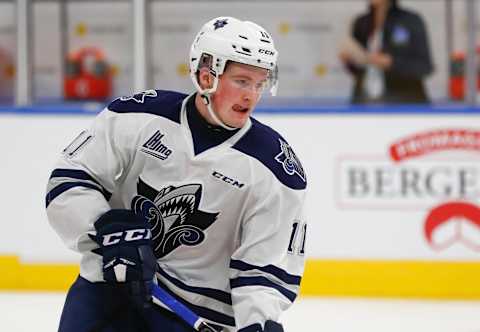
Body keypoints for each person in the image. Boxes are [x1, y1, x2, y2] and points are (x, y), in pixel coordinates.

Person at [46, 16, 307, 332]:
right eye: (241, 81)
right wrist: (105, 227)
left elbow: (265, 269)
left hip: (194, 315)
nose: (251, 95)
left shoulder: (274, 168)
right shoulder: (137, 116)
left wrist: (259, 322)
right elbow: (69, 180)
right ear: (206, 74)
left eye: (259, 83)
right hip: (109, 291)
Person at [339, 0, 434, 104]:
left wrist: (391, 62)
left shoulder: (410, 20)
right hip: (365, 104)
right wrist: (350, 60)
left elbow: (424, 66)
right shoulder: (361, 22)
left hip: (403, 105)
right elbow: (359, 70)